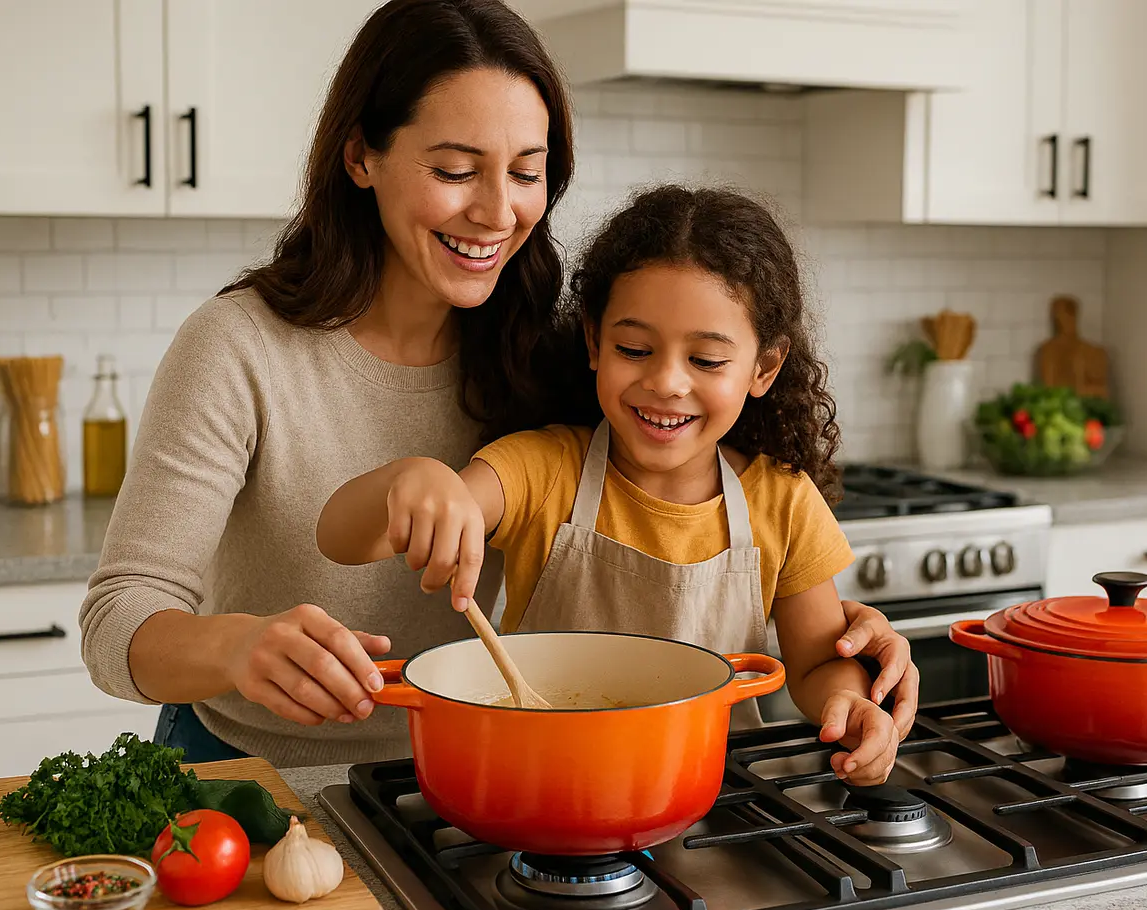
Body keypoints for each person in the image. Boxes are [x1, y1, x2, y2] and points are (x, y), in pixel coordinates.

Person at [79, 0, 915, 768]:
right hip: (250, 765)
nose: (496, 211)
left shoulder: (542, 351)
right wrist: (234, 647)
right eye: (454, 169)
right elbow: (119, 614)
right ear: (361, 155)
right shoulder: (239, 347)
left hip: (464, 769)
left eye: (525, 171)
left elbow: (655, 539)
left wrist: (847, 651)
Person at [319, 185, 910, 783]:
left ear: (764, 367)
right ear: (594, 341)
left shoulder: (783, 501)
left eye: (706, 360)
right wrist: (411, 479)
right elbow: (342, 539)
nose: (666, 382)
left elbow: (815, 666)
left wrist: (851, 704)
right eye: (634, 348)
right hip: (545, 785)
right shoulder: (542, 471)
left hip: (715, 797)